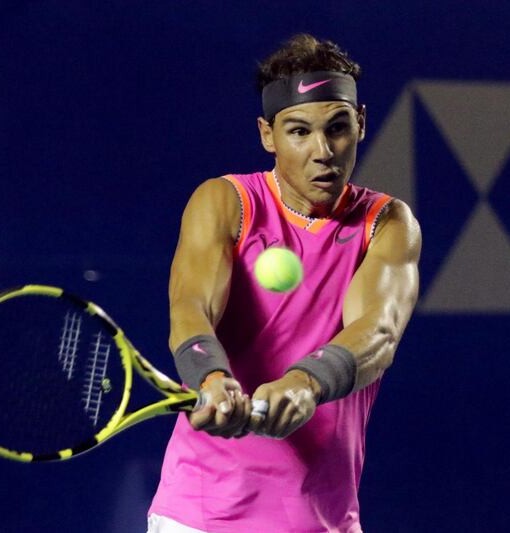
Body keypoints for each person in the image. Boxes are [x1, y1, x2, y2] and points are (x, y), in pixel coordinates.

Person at [148, 34, 421, 533]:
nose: (323, 152)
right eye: (299, 131)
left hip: (326, 519)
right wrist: (211, 377)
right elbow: (190, 307)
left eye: (338, 128)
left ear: (360, 123)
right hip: (202, 517)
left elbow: (378, 332)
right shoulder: (225, 202)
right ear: (267, 134)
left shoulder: (386, 223)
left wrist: (307, 382)